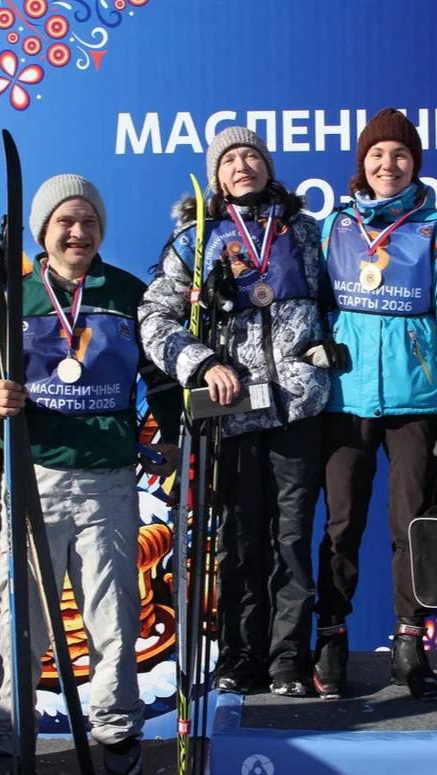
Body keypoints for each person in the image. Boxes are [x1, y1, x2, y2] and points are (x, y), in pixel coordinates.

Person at [0, 175, 181, 775]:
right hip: (33, 478)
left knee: (114, 619)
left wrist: (169, 433)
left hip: (107, 481)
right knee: (24, 623)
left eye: (89, 221)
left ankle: (117, 734)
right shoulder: (15, 298)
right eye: (65, 221)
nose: (78, 232)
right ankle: (12, 743)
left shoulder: (127, 292)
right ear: (43, 231)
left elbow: (161, 377)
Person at [139, 126, 330, 696]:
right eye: (229, 160)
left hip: (299, 407)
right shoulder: (195, 239)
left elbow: (341, 302)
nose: (242, 165)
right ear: (216, 178)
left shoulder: (304, 231)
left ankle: (288, 659)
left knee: (292, 539)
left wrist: (327, 350)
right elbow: (154, 318)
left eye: (251, 155)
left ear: (268, 166)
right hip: (233, 410)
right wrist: (201, 364)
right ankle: (240, 657)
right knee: (240, 541)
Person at [313, 108, 437, 700]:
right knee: (341, 526)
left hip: (417, 399)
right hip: (345, 397)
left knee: (412, 526)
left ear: (416, 164)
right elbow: (312, 307)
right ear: (363, 163)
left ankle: (411, 645)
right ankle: (331, 638)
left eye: (401, 154)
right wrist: (317, 349)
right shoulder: (333, 226)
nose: (389, 164)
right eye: (378, 154)